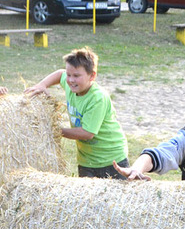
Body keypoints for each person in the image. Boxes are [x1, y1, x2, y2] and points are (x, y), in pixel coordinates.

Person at [24, 47, 128, 178]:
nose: (71, 80)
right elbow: (59, 73)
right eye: (69, 75)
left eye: (76, 76)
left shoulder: (97, 98)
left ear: (92, 76)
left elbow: (87, 133)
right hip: (87, 161)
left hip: (112, 161)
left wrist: (53, 129)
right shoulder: (71, 85)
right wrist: (42, 85)